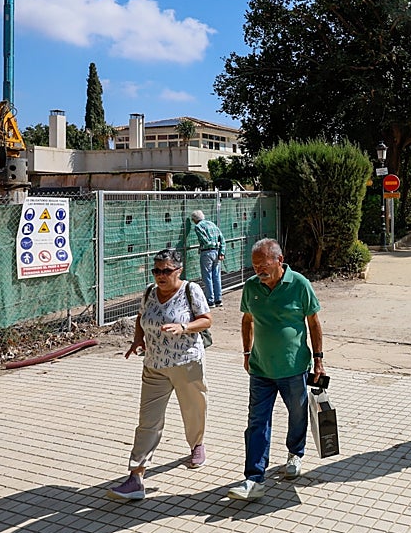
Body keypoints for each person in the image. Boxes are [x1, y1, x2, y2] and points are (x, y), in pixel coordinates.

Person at [108, 249, 212, 501]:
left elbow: (207, 320)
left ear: (179, 270)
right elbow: (141, 317)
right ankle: (136, 476)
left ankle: (197, 445)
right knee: (148, 421)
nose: (160, 275)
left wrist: (184, 327)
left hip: (187, 363)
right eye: (156, 270)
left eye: (166, 270)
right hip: (154, 366)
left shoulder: (191, 290)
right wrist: (137, 340)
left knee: (193, 410)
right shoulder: (149, 292)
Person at [228, 239, 327, 501]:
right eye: (254, 265)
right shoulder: (251, 287)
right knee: (257, 422)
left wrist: (318, 359)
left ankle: (295, 453)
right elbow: (247, 319)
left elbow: (314, 322)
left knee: (297, 414)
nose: (258, 269)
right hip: (260, 368)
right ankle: (254, 478)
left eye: (263, 264)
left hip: (294, 367)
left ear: (279, 260)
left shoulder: (299, 285)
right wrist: (247, 352)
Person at [191, 209, 225, 308]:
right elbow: (222, 239)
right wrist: (221, 251)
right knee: (216, 276)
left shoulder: (198, 227)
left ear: (195, 219)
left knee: (207, 277)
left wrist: (204, 246)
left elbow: (204, 240)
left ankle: (210, 301)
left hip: (206, 252)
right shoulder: (212, 224)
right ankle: (218, 299)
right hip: (217, 251)